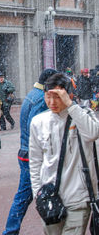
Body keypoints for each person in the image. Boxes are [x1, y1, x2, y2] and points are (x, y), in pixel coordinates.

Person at [29, 73, 99, 235]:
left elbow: (92, 133)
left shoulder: (83, 116)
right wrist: (37, 194)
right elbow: (35, 161)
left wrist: (71, 105)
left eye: (58, 97)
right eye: (48, 96)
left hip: (79, 197)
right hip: (50, 197)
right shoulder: (38, 122)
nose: (52, 102)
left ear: (69, 95)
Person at [2, 68, 57, 235]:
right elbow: (37, 129)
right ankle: (10, 231)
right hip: (32, 155)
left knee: (25, 196)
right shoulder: (41, 99)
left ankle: (11, 231)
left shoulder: (33, 94)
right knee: (25, 196)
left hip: (25, 151)